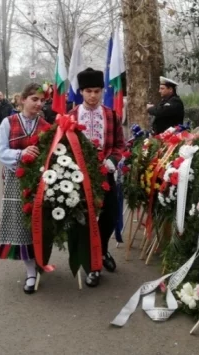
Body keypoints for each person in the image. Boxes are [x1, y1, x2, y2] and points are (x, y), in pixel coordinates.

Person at [67, 67, 125, 287]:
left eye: (97, 91)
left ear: (102, 91)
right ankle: (92, 264)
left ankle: (101, 250)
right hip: (78, 178)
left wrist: (113, 160)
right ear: (81, 92)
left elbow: (120, 144)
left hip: (105, 173)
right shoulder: (71, 117)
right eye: (88, 91)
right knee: (83, 219)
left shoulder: (111, 115)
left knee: (109, 215)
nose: (93, 95)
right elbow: (62, 147)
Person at [0, 83, 52, 294]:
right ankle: (30, 271)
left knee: (40, 221)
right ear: (23, 100)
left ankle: (40, 260)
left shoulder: (46, 125)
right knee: (21, 223)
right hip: (15, 181)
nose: (38, 104)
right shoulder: (8, 122)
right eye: (34, 99)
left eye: (41, 100)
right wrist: (21, 154)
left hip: (40, 181)